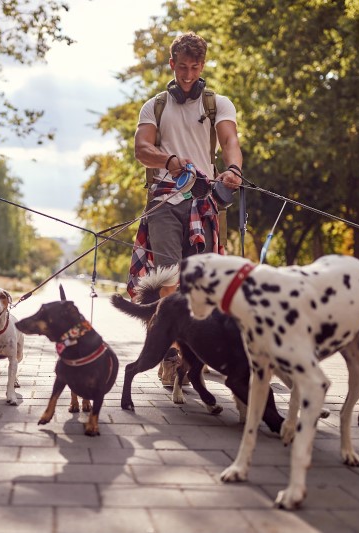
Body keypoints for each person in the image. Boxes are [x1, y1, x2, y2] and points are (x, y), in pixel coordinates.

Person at [129, 32, 243, 384]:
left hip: (204, 200)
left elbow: (229, 141)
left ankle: (196, 353)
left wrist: (234, 169)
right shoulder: (156, 105)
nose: (188, 75)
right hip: (164, 198)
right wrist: (170, 159)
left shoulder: (217, 104)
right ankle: (170, 355)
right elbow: (141, 148)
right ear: (171, 64)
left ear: (203, 66)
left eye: (195, 68)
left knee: (199, 281)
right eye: (182, 67)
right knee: (168, 276)